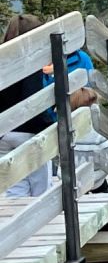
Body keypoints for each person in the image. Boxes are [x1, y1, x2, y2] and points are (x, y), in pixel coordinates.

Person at [2, 14, 99, 198]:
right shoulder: (29, 65)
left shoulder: (4, 61)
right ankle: (39, 226)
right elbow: (32, 103)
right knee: (41, 192)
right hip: (31, 135)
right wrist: (52, 122)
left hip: (5, 136)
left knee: (15, 190)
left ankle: (19, 225)